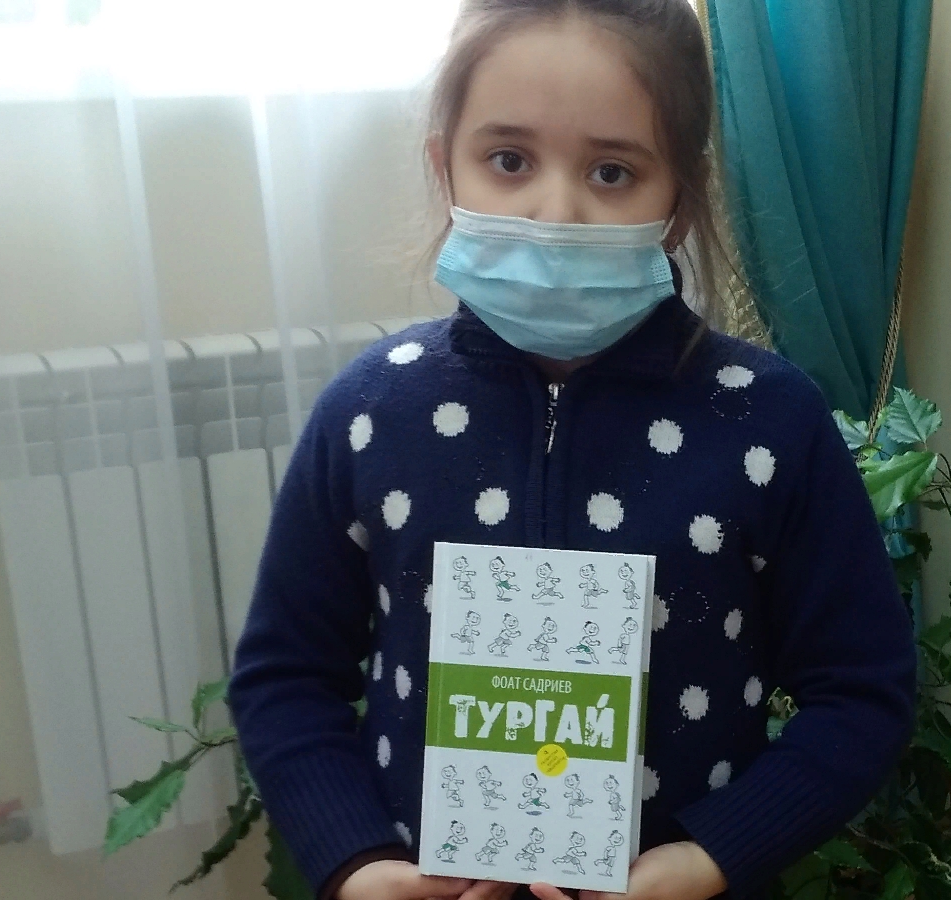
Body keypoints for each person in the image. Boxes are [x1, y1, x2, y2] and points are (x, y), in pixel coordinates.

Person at [226, 2, 916, 900]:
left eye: (612, 171)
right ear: (444, 166)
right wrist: (356, 863)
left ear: (680, 201)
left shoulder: (770, 422)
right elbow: (285, 677)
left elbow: (861, 691)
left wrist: (713, 857)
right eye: (509, 160)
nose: (556, 212)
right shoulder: (369, 413)